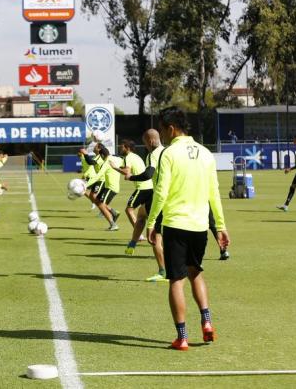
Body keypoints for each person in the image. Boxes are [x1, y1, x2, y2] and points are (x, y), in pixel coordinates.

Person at [146, 107, 230, 351]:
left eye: (163, 129)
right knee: (196, 273)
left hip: (176, 224)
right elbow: (214, 192)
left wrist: (152, 222)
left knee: (176, 281)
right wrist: (221, 227)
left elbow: (161, 191)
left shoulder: (169, 153)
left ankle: (182, 337)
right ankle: (206, 321)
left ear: (171, 129)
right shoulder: (206, 153)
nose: (162, 134)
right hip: (200, 226)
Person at [113, 130, 167, 282]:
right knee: (141, 215)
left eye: (145, 142)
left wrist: (131, 177)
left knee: (156, 236)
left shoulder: (154, 154)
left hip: (158, 197)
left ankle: (163, 271)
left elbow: (148, 174)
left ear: (150, 141)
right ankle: (132, 243)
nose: (145, 146)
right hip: (169, 197)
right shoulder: (168, 151)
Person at [83, 144, 122, 231]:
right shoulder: (117, 158)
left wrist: (85, 184)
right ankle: (114, 213)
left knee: (101, 204)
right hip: (110, 186)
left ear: (102, 155)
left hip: (111, 187)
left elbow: (97, 176)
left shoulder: (106, 163)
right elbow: (123, 162)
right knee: (97, 201)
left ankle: (113, 224)